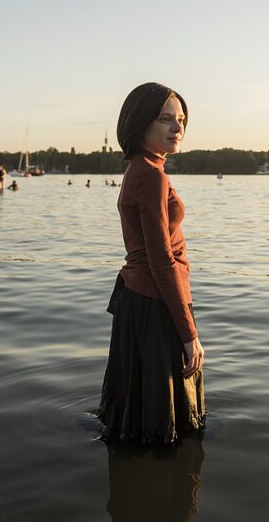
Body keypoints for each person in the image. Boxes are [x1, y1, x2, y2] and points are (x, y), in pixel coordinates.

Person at [98, 82, 205, 443]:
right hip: (155, 301)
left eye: (181, 119)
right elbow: (161, 262)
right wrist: (189, 334)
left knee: (138, 416)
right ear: (141, 123)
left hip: (140, 301)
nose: (178, 127)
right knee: (164, 424)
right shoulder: (151, 176)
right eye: (165, 119)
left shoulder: (140, 168)